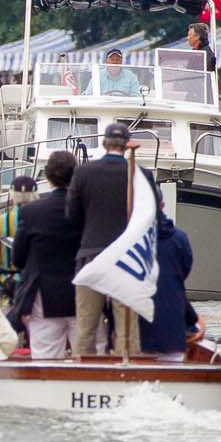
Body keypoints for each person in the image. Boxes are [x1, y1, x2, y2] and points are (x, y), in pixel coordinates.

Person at [67, 124, 150, 357]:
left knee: (86, 326)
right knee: (127, 331)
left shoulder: (83, 173)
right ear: (127, 145)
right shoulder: (140, 175)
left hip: (91, 255)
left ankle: (82, 374)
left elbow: (71, 215)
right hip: (126, 258)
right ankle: (127, 372)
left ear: (105, 143)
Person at [9, 150, 82, 357]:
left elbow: (18, 258)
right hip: (83, 290)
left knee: (45, 358)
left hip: (44, 294)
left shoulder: (32, 212)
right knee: (88, 357)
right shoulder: (86, 208)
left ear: (48, 178)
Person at [137, 213, 202, 360]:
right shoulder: (180, 238)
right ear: (162, 205)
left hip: (140, 332)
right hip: (172, 332)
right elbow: (185, 268)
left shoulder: (131, 239)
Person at [0, 173, 36, 298]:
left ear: (12, 195)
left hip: (6, 289)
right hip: (36, 288)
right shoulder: (43, 220)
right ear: (35, 195)